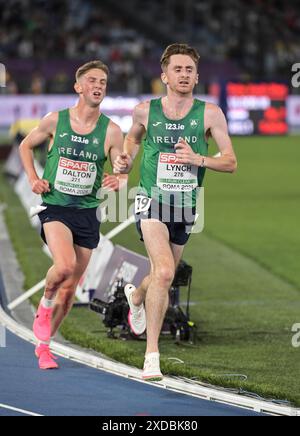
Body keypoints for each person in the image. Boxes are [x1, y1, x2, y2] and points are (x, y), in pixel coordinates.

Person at [114, 43, 237, 381]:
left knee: (161, 273)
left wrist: (198, 159)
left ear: (197, 76)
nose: (183, 74)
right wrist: (125, 160)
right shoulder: (144, 110)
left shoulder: (210, 114)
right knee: (166, 272)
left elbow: (230, 162)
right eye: (177, 69)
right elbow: (133, 140)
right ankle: (151, 354)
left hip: (185, 203)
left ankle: (136, 296)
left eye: (189, 70)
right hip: (151, 198)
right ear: (164, 75)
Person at [19, 60, 125, 370]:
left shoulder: (112, 131)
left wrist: (120, 177)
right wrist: (32, 179)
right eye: (92, 80)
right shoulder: (55, 121)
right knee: (63, 267)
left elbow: (121, 166)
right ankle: (43, 304)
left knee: (70, 293)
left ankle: (44, 346)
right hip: (56, 207)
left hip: (87, 213)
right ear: (78, 87)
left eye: (103, 82)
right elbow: (26, 146)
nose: (98, 85)